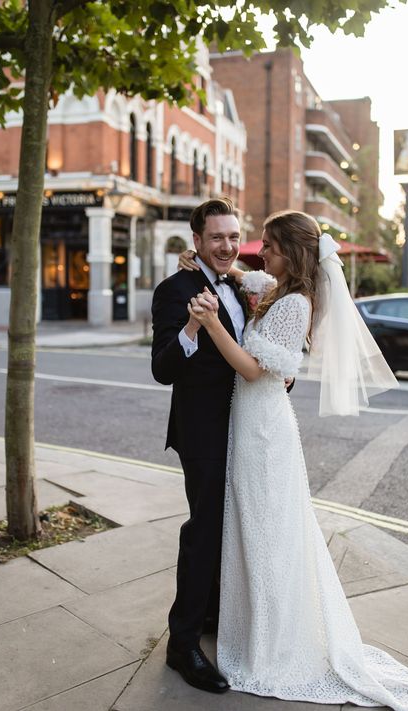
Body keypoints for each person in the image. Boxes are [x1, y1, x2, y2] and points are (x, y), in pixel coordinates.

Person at [185, 210, 408, 710]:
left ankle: (278, 644)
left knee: (269, 532)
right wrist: (217, 269)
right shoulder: (277, 288)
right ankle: (258, 627)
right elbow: (247, 276)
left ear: (292, 253)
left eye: (269, 246)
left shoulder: (295, 304)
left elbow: (254, 369)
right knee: (255, 528)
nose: (261, 254)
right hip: (251, 424)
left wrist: (210, 323)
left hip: (265, 429)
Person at [151, 197, 246, 694]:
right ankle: (182, 642)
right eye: (217, 238)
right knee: (205, 528)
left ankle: (210, 613)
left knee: (236, 525)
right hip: (203, 430)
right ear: (197, 241)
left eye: (233, 236)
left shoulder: (243, 284)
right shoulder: (174, 290)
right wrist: (191, 326)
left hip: (248, 428)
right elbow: (163, 368)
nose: (227, 246)